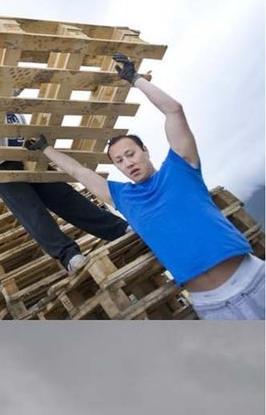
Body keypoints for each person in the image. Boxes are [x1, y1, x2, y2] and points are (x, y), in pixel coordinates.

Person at [37, 52, 265, 318]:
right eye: (119, 161)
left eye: (131, 154)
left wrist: (135, 79)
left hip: (255, 281)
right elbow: (77, 170)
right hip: (211, 306)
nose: (127, 163)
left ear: (144, 150)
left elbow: (174, 110)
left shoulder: (181, 167)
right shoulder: (123, 197)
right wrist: (45, 149)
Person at [0, 109, 128, 273]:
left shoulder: (14, 110)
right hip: (0, 166)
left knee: (66, 197)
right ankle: (69, 255)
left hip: (30, 158)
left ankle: (118, 229)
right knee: (32, 212)